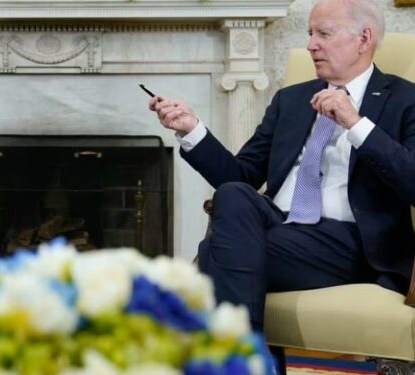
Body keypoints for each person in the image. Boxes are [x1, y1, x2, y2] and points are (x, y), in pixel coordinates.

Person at [149, 0, 414, 343]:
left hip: (350, 243)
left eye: (323, 34)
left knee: (217, 254)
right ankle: (246, 357)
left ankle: (241, 358)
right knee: (233, 195)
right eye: (309, 34)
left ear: (364, 39)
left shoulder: (405, 99)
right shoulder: (291, 99)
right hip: (280, 225)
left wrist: (356, 124)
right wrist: (192, 130)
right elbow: (241, 176)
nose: (310, 45)